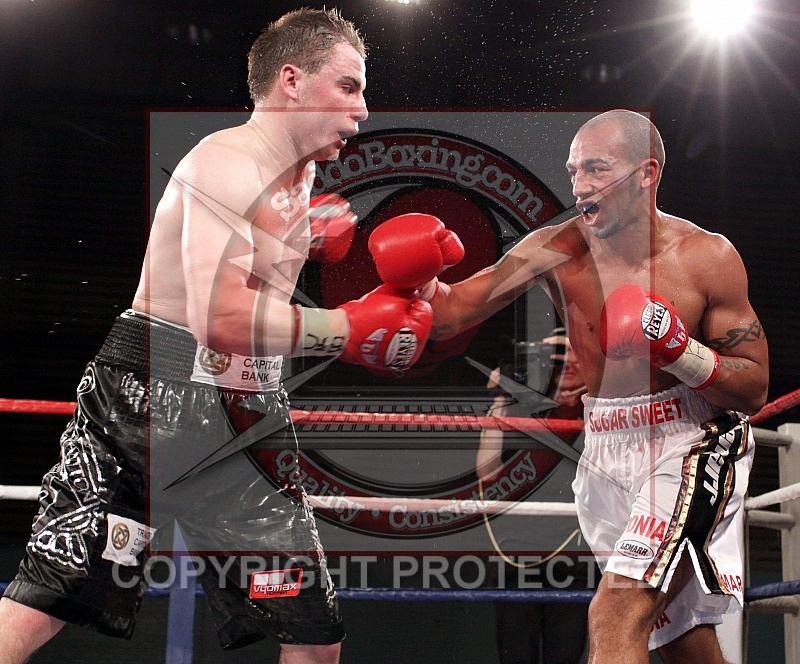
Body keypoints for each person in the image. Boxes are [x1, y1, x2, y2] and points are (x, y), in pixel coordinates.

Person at [0, 9, 435, 664]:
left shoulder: (299, 180)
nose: (362, 110)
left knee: (313, 635)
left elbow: (257, 307)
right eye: (348, 86)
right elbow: (220, 319)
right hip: (149, 403)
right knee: (44, 602)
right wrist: (345, 326)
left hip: (247, 415)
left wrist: (364, 275)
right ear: (292, 81)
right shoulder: (227, 164)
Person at [367, 110, 769, 663]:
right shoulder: (556, 247)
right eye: (574, 170)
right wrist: (419, 280)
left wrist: (680, 350)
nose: (579, 185)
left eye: (596, 168)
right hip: (603, 445)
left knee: (614, 612)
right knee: (681, 641)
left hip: (690, 443)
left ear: (647, 173)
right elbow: (454, 310)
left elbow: (753, 387)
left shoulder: (706, 258)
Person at [477, 329, 590, 664]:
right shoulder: (523, 407)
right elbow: (487, 471)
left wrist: (595, 393)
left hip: (576, 551)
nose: (567, 362)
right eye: (557, 356)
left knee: (565, 655)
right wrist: (502, 397)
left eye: (575, 353)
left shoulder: (601, 408)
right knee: (515, 654)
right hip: (517, 550)